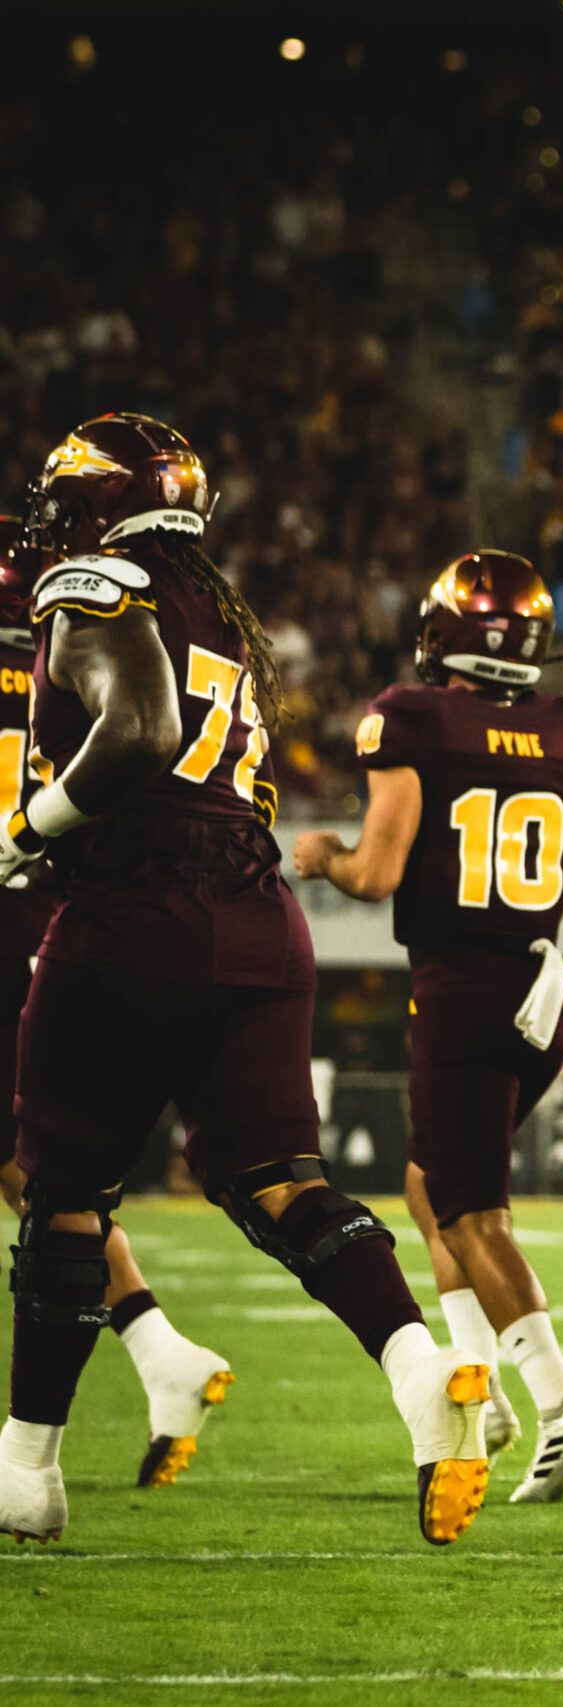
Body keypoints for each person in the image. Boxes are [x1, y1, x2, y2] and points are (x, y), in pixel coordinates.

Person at [1, 416, 485, 1547]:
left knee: (64, 1193)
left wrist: (28, 830)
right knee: (280, 1184)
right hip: (259, 918)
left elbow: (138, 730)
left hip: (134, 906)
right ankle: (421, 1377)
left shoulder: (92, 578)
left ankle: (27, 1472)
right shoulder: (215, 605)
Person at [295, 548, 563, 1506]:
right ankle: (479, 1382)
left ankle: (560, 1406)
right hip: (545, 990)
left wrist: (325, 856)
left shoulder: (416, 719)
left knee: (472, 1212)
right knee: (430, 1184)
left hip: (462, 988)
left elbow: (376, 873)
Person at [0, 515, 231, 1493]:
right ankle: (156, 1349)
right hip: (62, 908)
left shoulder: (72, 646)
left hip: (20, 911)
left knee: (39, 1172)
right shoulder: (74, 656)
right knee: (35, 1171)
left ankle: (119, 1383)